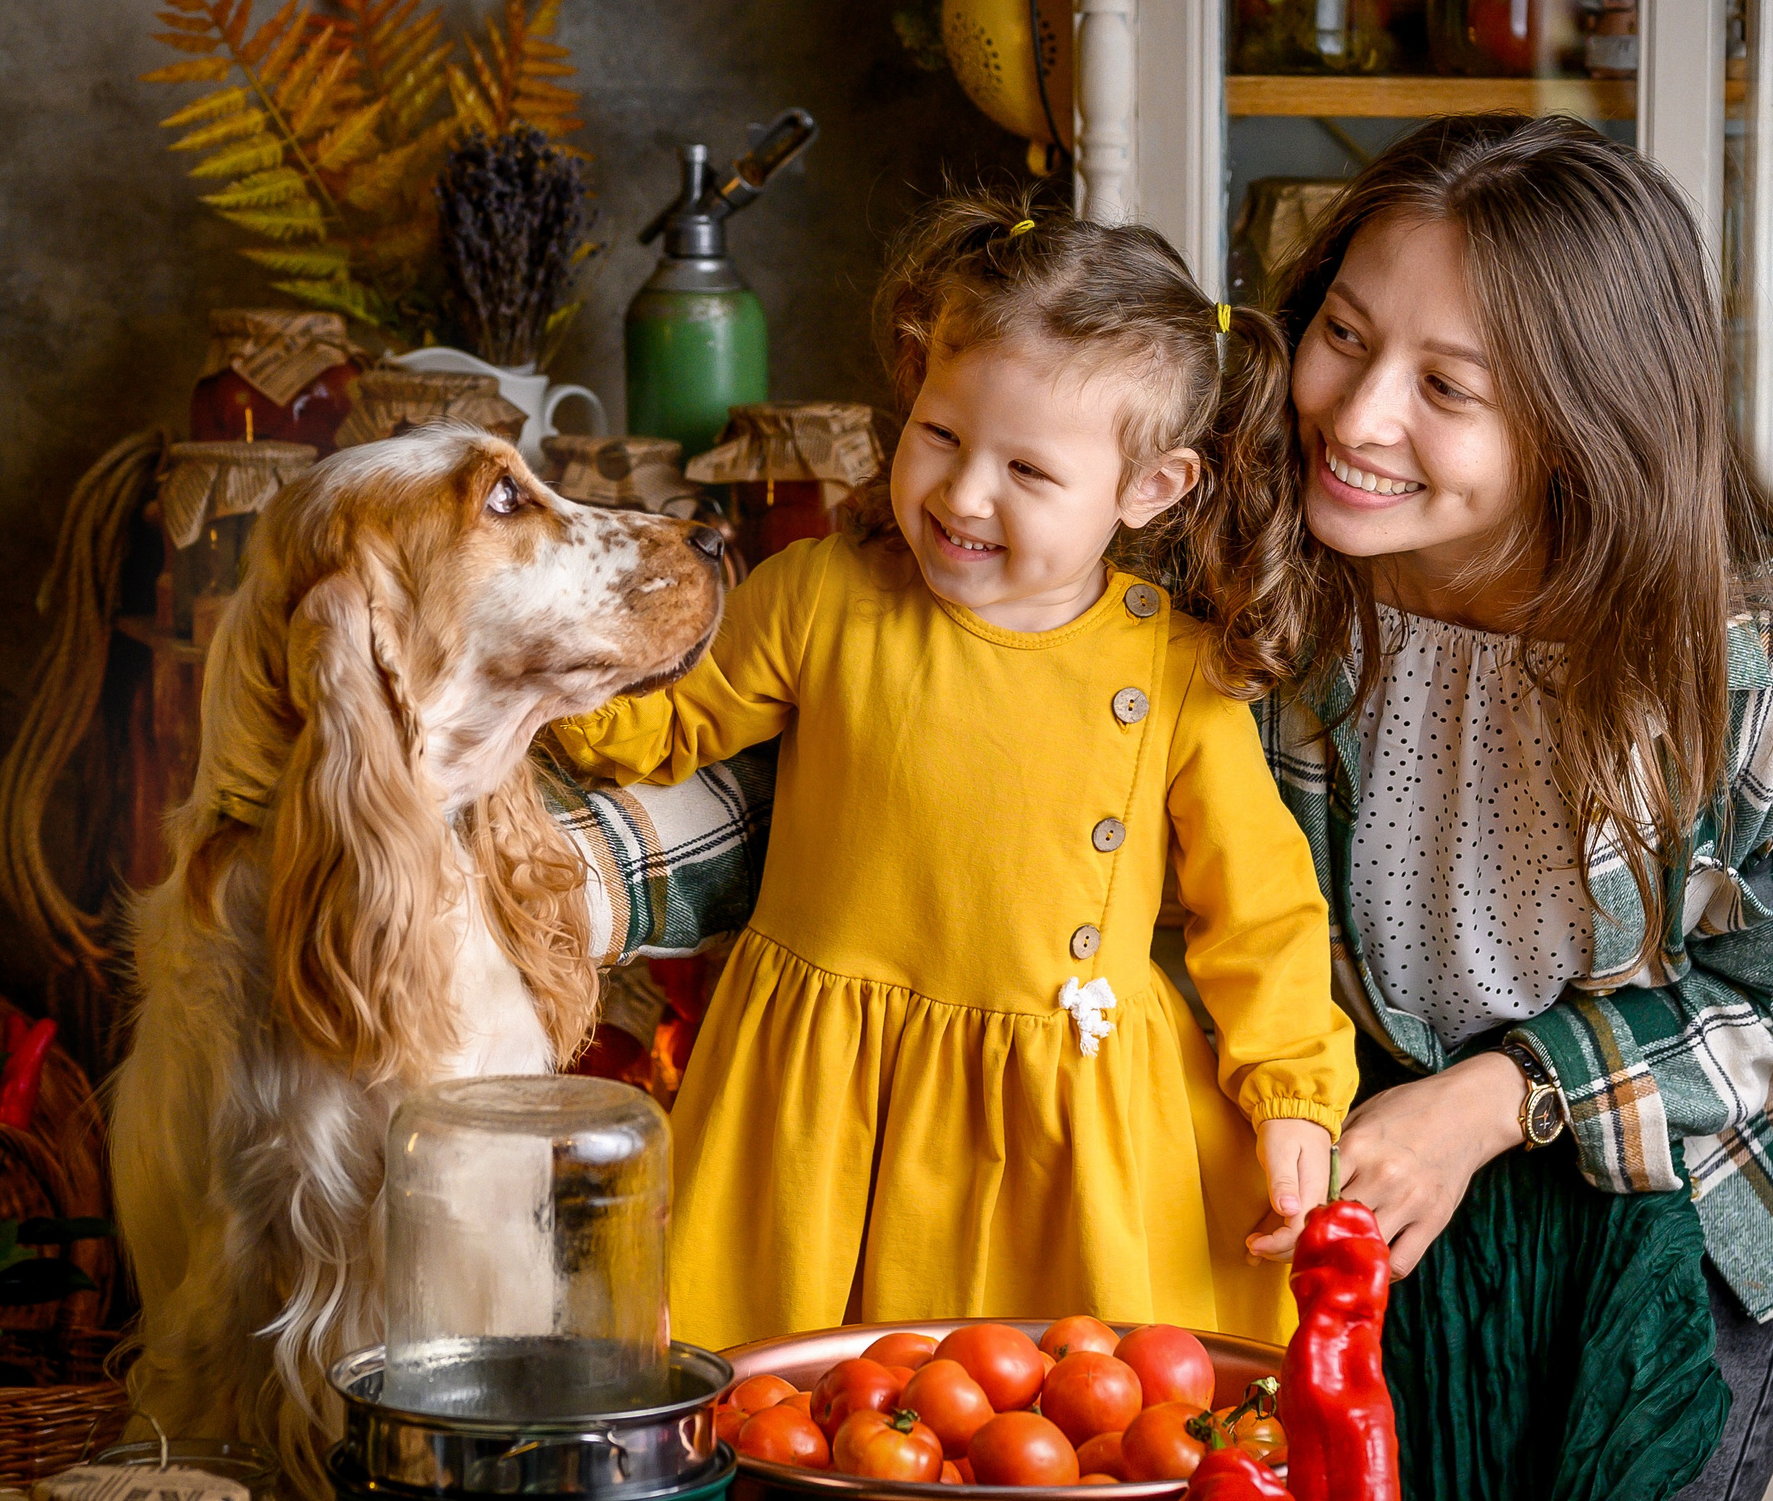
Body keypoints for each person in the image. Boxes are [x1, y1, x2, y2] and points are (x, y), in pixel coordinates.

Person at [555, 117, 1773, 1501]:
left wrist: (1499, 1093)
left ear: (1587, 410)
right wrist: (551, 870)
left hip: (1653, 1231)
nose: (1359, 417)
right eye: (1346, 335)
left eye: (1447, 386)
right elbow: (892, 779)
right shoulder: (1247, 567)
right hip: (1308, 1201)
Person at [545, 195, 1359, 1352]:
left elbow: (1263, 915)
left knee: (1050, 1412)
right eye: (941, 435)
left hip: (1063, 1131)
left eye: (1028, 469)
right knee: (792, 1402)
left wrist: (1292, 1095)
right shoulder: (821, 595)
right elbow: (667, 720)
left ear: (1149, 488)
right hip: (815, 1100)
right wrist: (549, 678)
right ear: (916, 384)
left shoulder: (1175, 675)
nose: (964, 494)